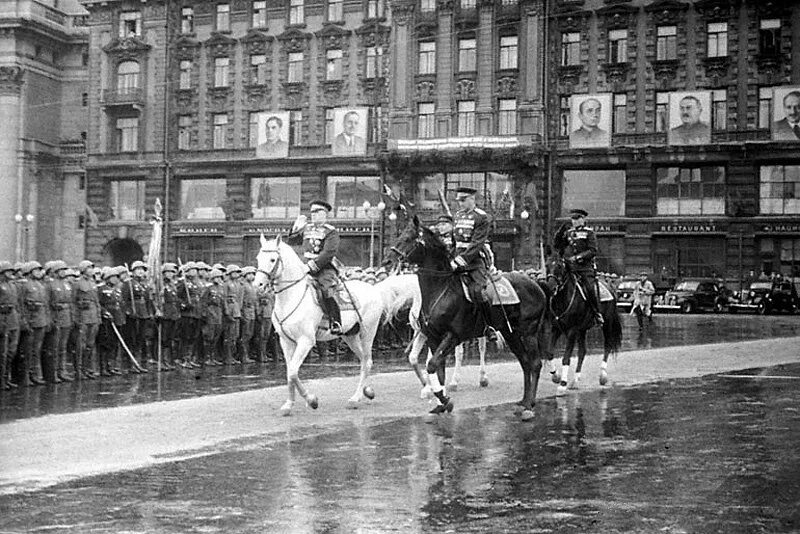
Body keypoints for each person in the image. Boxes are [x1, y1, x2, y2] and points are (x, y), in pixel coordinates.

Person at [286, 199, 345, 334]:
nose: (313, 214)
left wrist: (312, 266)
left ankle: (335, 321)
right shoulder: (306, 229)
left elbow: (328, 252)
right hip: (305, 267)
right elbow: (292, 243)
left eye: (317, 212)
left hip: (324, 268)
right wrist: (295, 229)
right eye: (312, 212)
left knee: (326, 290)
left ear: (325, 214)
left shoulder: (331, 231)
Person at [451, 186, 498, 342]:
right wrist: (450, 258)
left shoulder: (482, 217)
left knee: (479, 291)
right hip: (456, 260)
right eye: (459, 201)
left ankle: (488, 326)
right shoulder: (457, 216)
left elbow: (477, 243)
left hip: (474, 261)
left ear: (472, 199)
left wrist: (460, 260)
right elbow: (455, 241)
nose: (460, 204)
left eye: (463, 200)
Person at [554, 208, 604, 325]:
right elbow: (558, 246)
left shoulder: (589, 233)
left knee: (590, 289)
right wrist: (559, 233)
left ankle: (596, 313)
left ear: (583, 219)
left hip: (585, 268)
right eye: (573, 219)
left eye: (577, 219)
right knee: (558, 286)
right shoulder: (569, 233)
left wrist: (577, 257)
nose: (575, 221)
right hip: (571, 269)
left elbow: (592, 250)